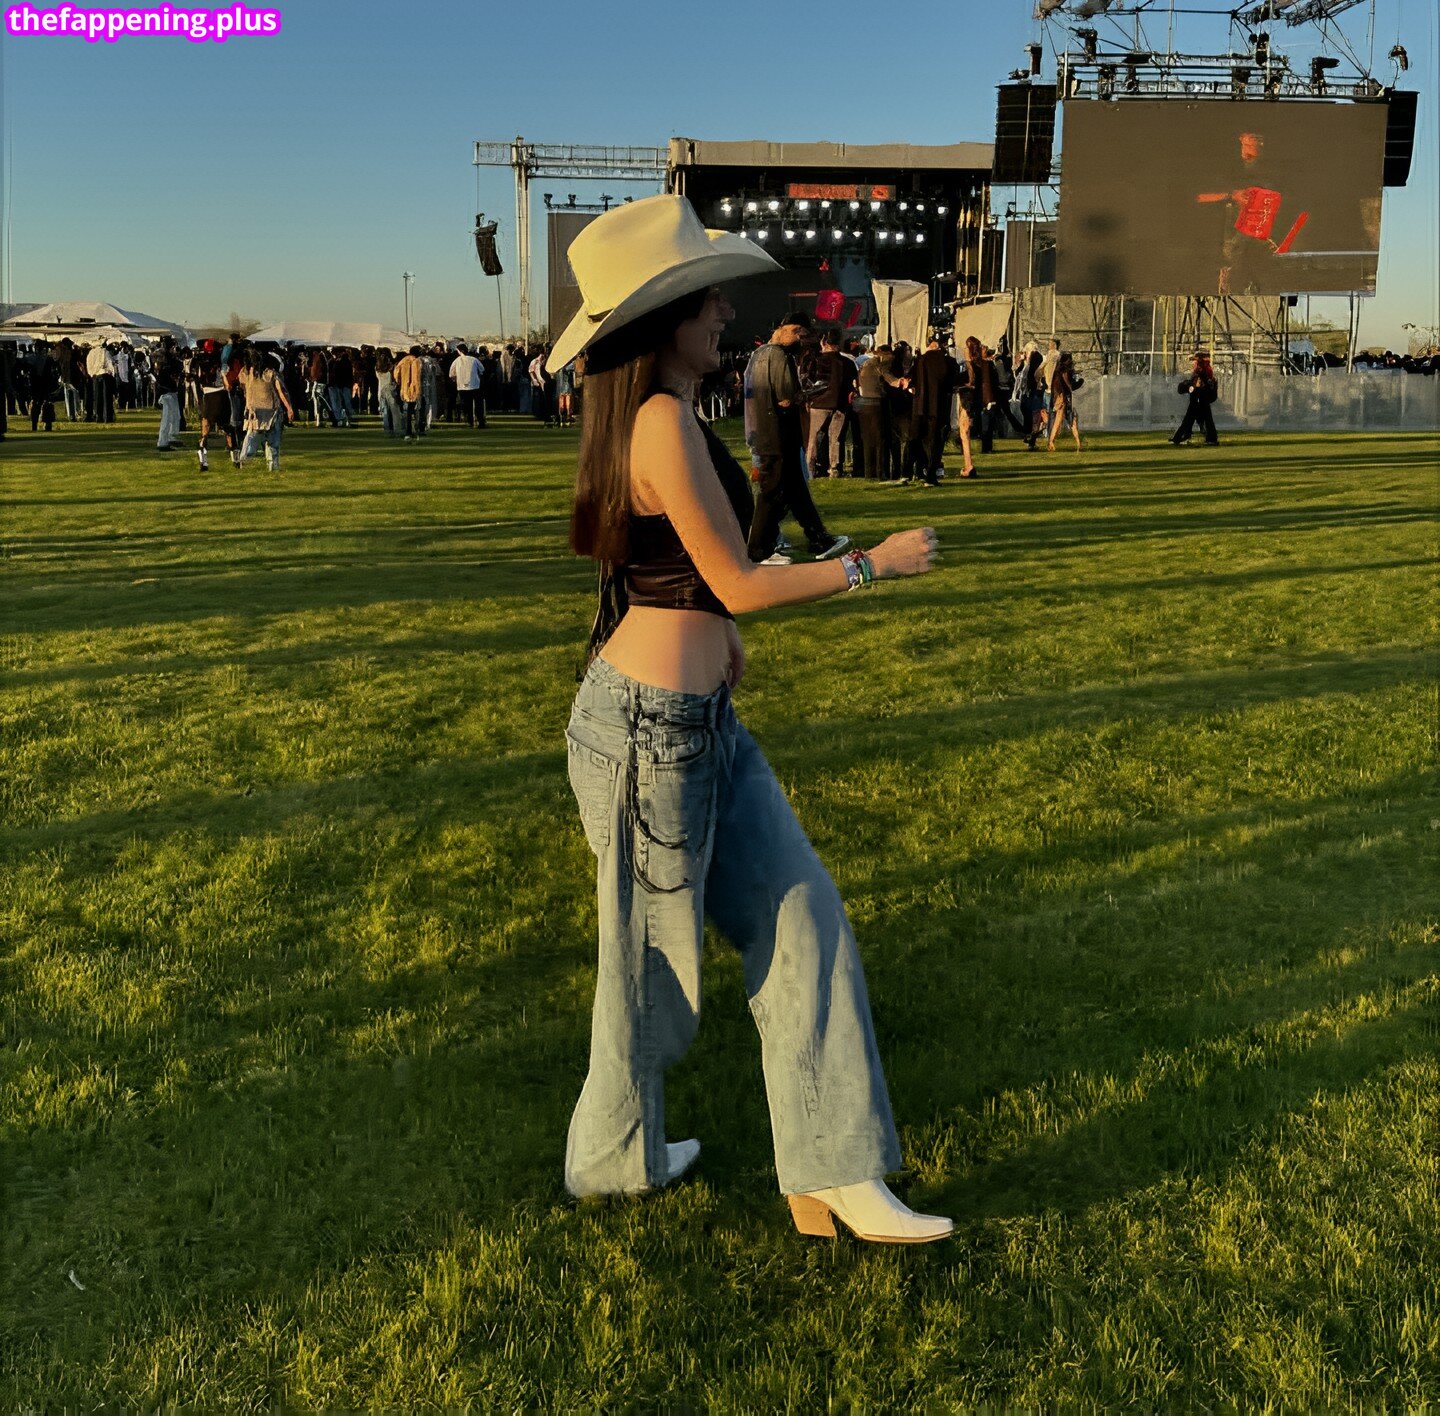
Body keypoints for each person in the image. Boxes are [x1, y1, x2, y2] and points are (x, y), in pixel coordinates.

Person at [550, 193, 951, 1244]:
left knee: (802, 912)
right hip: (648, 735)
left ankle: (836, 1172)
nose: (726, 308)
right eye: (706, 297)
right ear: (663, 319)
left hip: (689, 721)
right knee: (648, 973)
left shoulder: (661, 414)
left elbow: (672, 573)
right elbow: (732, 579)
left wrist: (718, 635)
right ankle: (611, 1156)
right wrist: (871, 566)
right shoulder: (655, 421)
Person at [744, 310, 849, 564]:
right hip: (779, 433)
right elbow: (785, 398)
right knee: (771, 492)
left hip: (764, 431)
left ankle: (819, 539)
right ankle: (759, 550)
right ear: (786, 329)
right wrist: (807, 394)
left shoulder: (757, 355)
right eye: (798, 333)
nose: (800, 339)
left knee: (794, 491)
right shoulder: (779, 355)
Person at [907, 332, 959, 484]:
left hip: (921, 406)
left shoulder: (920, 361)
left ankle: (916, 470)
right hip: (940, 406)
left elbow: (911, 381)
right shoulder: (949, 362)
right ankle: (931, 473)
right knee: (936, 442)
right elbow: (953, 383)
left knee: (918, 439)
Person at [804, 328, 855, 477]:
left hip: (820, 404)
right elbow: (852, 384)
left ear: (824, 342)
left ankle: (810, 468)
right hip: (841, 404)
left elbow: (810, 382)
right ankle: (834, 468)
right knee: (836, 439)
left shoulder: (817, 361)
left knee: (813, 438)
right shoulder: (848, 362)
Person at [236, 346, 295, 471]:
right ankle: (273, 464)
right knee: (273, 441)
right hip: (270, 411)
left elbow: (241, 384)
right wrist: (289, 408)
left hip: (254, 412)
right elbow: (281, 392)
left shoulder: (246, 372)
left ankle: (244, 461)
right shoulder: (270, 373)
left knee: (251, 438)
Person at [1172, 351, 1220, 446]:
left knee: (1192, 419)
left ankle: (1181, 436)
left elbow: (1200, 386)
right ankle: (1209, 438)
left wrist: (1192, 388)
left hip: (1199, 399)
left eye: (1195, 361)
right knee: (1201, 420)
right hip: (1200, 399)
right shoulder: (1204, 371)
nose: (1193, 363)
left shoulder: (1201, 371)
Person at [1047, 349, 1082, 452]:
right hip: (1062, 397)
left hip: (1060, 397)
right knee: (1062, 420)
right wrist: (1078, 383)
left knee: (1069, 419)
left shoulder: (1057, 371)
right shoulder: (1064, 371)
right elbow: (1068, 385)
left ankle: (1078, 443)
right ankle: (1051, 442)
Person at [393, 344, 424, 440]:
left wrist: (400, 382)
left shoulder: (402, 361)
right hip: (414, 390)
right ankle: (414, 431)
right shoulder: (416, 361)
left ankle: (406, 431)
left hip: (404, 389)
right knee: (415, 411)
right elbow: (418, 377)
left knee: (406, 412)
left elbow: (396, 375)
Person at [450, 342, 484, 427]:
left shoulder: (457, 361)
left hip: (462, 386)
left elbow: (451, 374)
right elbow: (482, 370)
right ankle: (480, 421)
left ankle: (470, 421)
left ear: (460, 351)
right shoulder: (474, 359)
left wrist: (456, 379)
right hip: (474, 385)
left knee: (467, 405)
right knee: (478, 404)